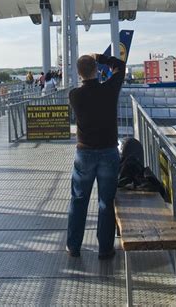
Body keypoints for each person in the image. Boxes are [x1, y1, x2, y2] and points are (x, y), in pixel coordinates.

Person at [66, 52, 125, 259]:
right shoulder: (110, 89)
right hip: (108, 151)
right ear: (97, 70)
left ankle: (73, 246)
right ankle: (105, 248)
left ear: (78, 73)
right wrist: (101, 57)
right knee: (106, 202)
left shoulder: (74, 95)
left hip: (84, 153)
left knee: (78, 199)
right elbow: (121, 66)